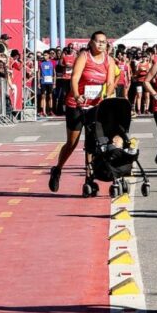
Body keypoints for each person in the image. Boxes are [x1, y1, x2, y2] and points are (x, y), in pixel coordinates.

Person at [48, 31, 125, 193]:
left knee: (92, 143)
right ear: (91, 43)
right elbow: (75, 78)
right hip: (76, 104)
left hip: (95, 106)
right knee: (72, 143)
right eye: (98, 42)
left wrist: (106, 95)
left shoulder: (109, 61)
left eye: (104, 42)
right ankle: (57, 169)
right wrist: (77, 95)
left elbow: (110, 82)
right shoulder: (84, 56)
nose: (101, 44)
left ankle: (89, 179)